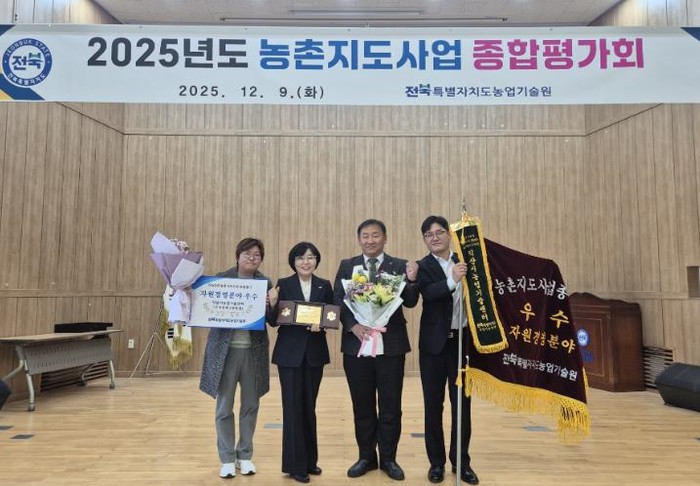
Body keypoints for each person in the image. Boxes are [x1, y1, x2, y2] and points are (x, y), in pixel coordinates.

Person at [333, 219, 419, 481]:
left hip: (390, 346)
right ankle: (366, 457)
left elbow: (411, 301)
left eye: (375, 235)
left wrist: (412, 280)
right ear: (359, 239)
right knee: (362, 405)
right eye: (365, 236)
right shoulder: (348, 266)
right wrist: (352, 326)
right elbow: (338, 300)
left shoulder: (399, 265)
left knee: (391, 405)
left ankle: (389, 459)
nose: (370, 240)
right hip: (357, 347)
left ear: (385, 238)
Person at [199, 237, 279, 479]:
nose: (252, 258)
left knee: (251, 404)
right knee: (224, 406)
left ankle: (244, 455)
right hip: (225, 351)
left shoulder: (265, 283)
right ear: (238, 256)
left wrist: (272, 304)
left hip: (253, 352)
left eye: (256, 255)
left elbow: (272, 321)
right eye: (247, 253)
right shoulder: (221, 279)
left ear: (261, 259)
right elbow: (206, 310)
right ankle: (226, 458)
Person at [415, 216, 479, 484]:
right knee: (433, 406)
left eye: (440, 232)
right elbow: (429, 294)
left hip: (461, 344)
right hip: (433, 346)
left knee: (462, 405)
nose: (435, 238)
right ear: (425, 239)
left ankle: (461, 462)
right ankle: (436, 463)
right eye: (429, 235)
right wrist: (452, 280)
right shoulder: (421, 267)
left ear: (449, 235)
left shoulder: (466, 261)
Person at [269, 242, 334, 484]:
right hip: (289, 355)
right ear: (293, 261)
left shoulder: (324, 285)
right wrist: (272, 303)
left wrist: (323, 323)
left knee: (309, 407)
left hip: (314, 354)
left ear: (317, 260)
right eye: (300, 258)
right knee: (293, 408)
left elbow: (332, 314)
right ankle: (295, 465)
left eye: (310, 257)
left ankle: (309, 461)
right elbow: (273, 321)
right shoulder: (283, 284)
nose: (305, 262)